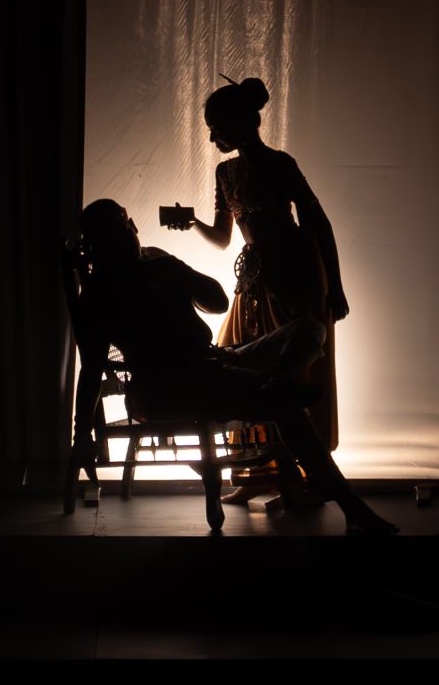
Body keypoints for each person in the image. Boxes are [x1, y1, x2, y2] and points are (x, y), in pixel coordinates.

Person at [72, 199, 395, 534]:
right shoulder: (97, 296)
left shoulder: (158, 262)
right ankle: (350, 504)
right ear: (100, 244)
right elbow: (91, 370)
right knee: (285, 406)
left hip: (215, 363)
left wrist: (175, 269)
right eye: (122, 228)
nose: (133, 231)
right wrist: (81, 433)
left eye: (129, 224)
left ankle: (278, 381)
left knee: (310, 329)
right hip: (167, 387)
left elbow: (218, 302)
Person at [166, 76, 347, 502]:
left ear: (241, 123)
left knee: (293, 370)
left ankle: (305, 477)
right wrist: (192, 223)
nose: (212, 138)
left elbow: (318, 223)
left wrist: (336, 287)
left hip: (295, 277)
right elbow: (223, 237)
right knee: (246, 367)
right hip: (253, 280)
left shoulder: (281, 165)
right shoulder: (225, 172)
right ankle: (263, 473)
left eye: (217, 128)